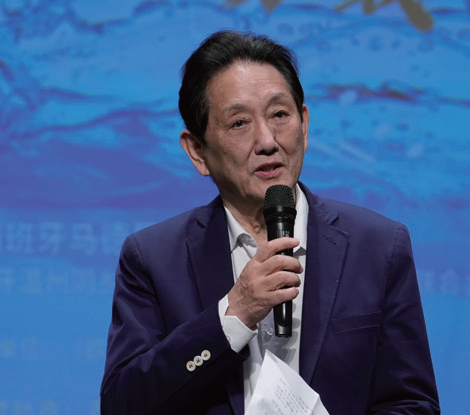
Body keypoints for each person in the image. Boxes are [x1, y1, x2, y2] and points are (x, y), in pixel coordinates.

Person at [100, 30, 440, 415]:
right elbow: (121, 405)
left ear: (304, 124)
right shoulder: (154, 258)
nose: (267, 141)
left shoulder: (379, 246)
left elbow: (413, 404)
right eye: (239, 123)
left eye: (279, 115)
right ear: (197, 151)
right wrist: (233, 315)